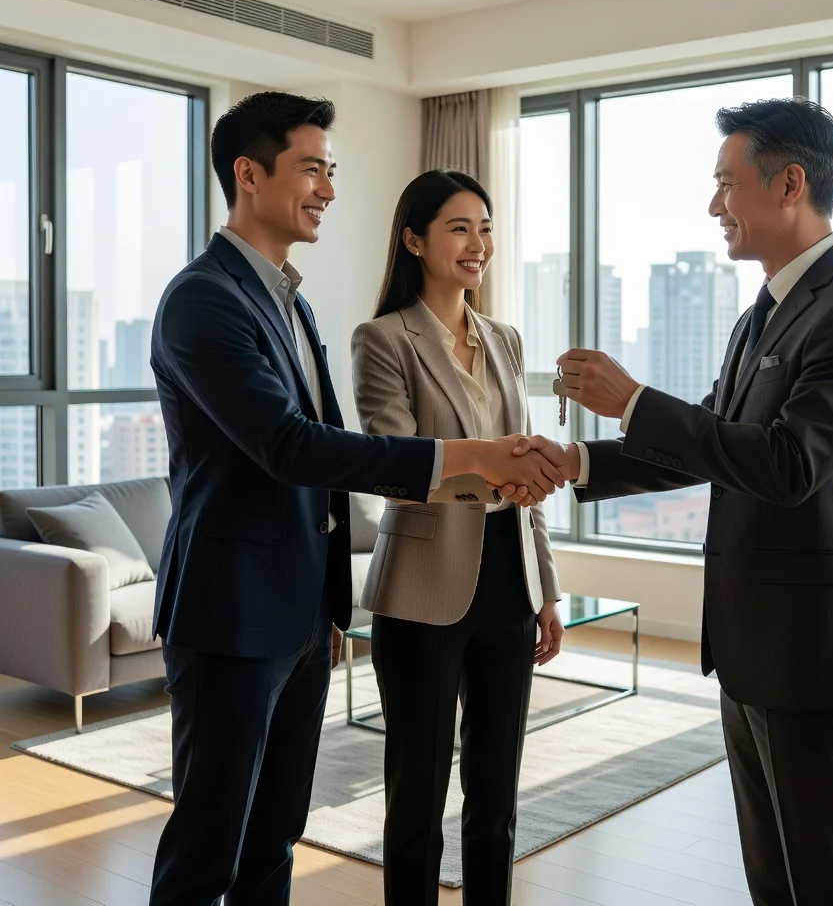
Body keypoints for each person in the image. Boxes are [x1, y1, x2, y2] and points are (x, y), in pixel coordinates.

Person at [148, 94, 563, 906]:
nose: (330, 190)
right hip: (231, 614)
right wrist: (471, 457)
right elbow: (293, 448)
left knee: (273, 838)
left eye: (331, 171)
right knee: (208, 849)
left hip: (301, 614)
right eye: (312, 169)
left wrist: (329, 606)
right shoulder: (203, 299)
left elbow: (320, 473)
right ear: (248, 174)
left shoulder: (290, 300)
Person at [522, 98, 833, 905]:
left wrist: (632, 398)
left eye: (725, 184)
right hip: (751, 648)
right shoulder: (760, 314)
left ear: (790, 184)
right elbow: (702, 447)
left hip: (815, 655)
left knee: (831, 883)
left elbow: (786, 464)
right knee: (773, 879)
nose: (713, 206)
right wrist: (575, 460)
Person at [350, 169, 564, 905]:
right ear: (415, 240)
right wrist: (496, 476)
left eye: (486, 227)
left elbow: (526, 466)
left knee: (497, 789)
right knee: (417, 791)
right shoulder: (383, 339)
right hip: (422, 587)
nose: (480, 244)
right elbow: (395, 465)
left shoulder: (505, 339)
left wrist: (547, 589)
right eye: (459, 228)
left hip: (510, 578)